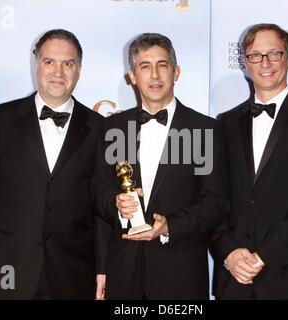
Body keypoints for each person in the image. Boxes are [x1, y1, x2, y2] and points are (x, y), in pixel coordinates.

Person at [0, 29, 105, 299]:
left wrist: (103, 269)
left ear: (79, 70)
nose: (58, 72)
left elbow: (101, 208)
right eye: (50, 62)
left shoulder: (99, 129)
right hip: (10, 268)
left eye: (68, 64)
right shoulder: (0, 120)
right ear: (36, 64)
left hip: (75, 272)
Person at [93, 33, 229, 299]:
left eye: (162, 65)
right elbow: (99, 191)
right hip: (123, 275)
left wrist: (170, 226)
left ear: (176, 72)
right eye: (145, 66)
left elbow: (216, 201)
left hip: (182, 276)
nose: (154, 75)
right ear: (132, 76)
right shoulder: (113, 128)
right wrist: (116, 203)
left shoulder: (205, 130)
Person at [213, 23, 288, 300]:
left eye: (274, 53)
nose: (265, 63)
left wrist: (265, 256)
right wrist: (229, 252)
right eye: (255, 55)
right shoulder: (226, 123)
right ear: (245, 63)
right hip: (235, 277)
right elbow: (214, 197)